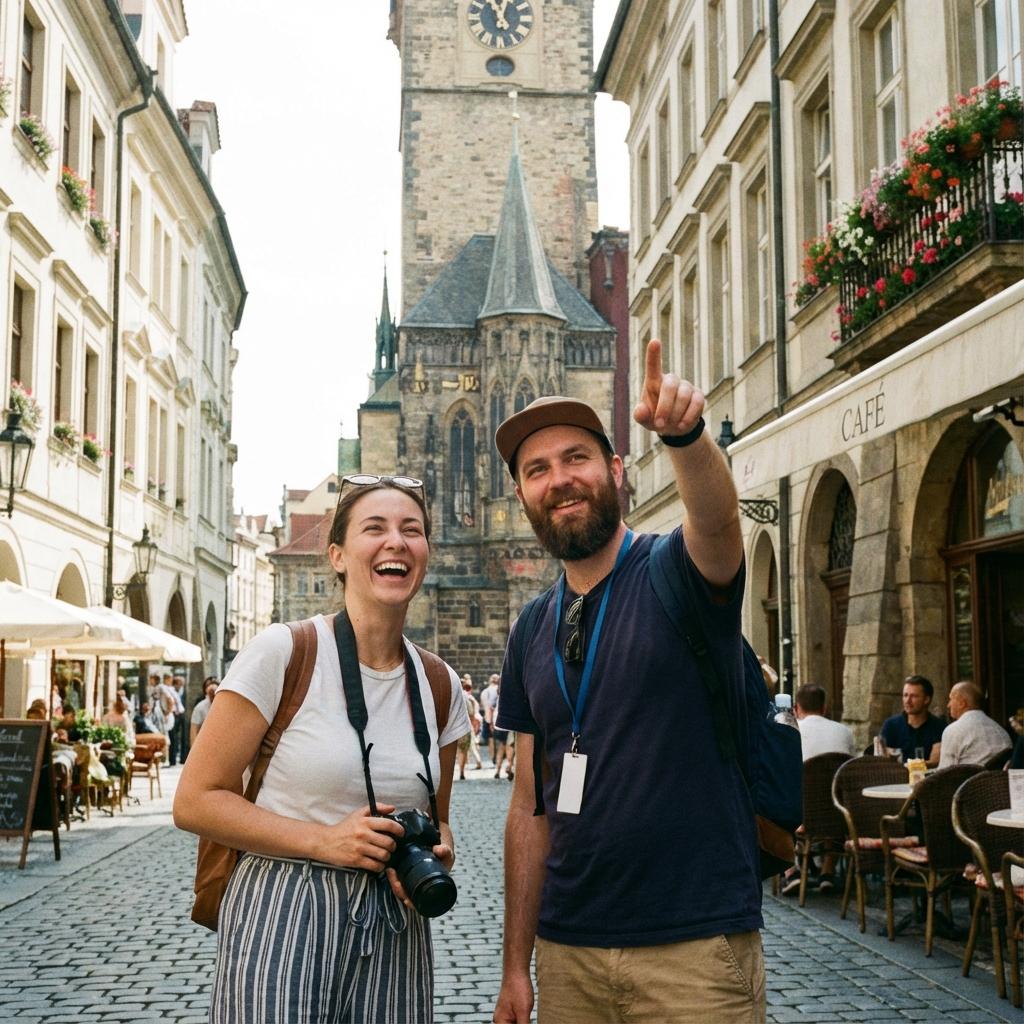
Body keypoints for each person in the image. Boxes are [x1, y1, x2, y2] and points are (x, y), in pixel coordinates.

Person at [492, 340, 764, 1024]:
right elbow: (529, 808)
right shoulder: (530, 628)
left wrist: (687, 439)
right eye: (537, 470)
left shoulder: (676, 570)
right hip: (569, 953)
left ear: (616, 470)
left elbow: (718, 520)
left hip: (694, 950)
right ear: (523, 494)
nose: (560, 480)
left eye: (576, 459)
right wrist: (513, 967)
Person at [174, 474, 470, 1024]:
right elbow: (194, 800)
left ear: (426, 552)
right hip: (283, 906)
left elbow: (440, 819)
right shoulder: (283, 652)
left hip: (393, 924)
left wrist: (439, 846)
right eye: (374, 528)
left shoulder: (440, 684)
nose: (396, 542)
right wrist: (325, 841)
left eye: (412, 530)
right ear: (336, 554)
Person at [781, 684, 856, 895]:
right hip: (839, 815)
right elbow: (850, 771)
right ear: (824, 708)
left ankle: (791, 871)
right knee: (833, 800)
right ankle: (827, 872)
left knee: (776, 805)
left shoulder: (790, 731)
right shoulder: (844, 732)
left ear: (796, 708)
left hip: (802, 817)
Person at [937, 682, 1012, 769]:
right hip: (998, 781)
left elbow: (944, 772)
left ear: (962, 703)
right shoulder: (1000, 731)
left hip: (965, 781)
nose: (948, 705)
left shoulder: (953, 730)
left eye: (951, 699)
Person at [879, 675, 946, 766]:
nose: (907, 701)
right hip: (897, 778)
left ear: (926, 699)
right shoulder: (891, 725)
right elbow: (882, 760)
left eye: (913, 696)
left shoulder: (938, 726)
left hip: (928, 778)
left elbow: (934, 762)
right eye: (905, 695)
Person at [456, 678, 484, 779]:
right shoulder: (466, 696)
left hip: (451, 727)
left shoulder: (448, 693)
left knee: (457, 751)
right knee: (464, 750)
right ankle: (462, 772)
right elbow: (472, 712)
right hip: (464, 726)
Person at [190, 678, 219, 746]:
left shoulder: (224, 705)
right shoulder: (200, 707)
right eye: (211, 693)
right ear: (207, 693)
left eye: (214, 693)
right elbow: (193, 730)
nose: (213, 696)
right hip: (204, 743)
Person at [480, 673, 499, 764]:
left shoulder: (485, 691)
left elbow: (485, 707)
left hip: (488, 718)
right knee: (501, 741)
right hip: (497, 718)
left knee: (491, 740)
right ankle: (497, 759)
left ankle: (493, 758)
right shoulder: (498, 690)